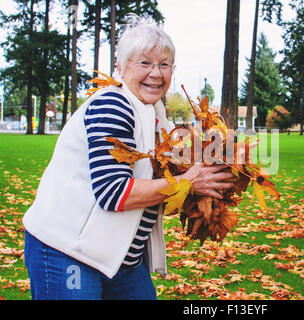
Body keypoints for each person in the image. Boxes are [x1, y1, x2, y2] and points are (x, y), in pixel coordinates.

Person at [22, 14, 234, 300]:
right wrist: (187, 183)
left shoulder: (157, 115)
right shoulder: (114, 103)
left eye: (164, 65)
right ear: (120, 68)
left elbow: (171, 174)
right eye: (144, 63)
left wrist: (219, 162)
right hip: (68, 251)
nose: (156, 73)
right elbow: (113, 192)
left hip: (120, 259)